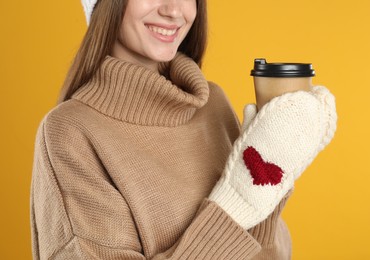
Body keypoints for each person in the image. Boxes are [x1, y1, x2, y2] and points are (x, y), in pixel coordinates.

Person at [30, 0, 337, 259]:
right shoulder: (71, 133)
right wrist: (237, 204)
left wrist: (273, 179)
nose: (175, 11)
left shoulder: (212, 104)